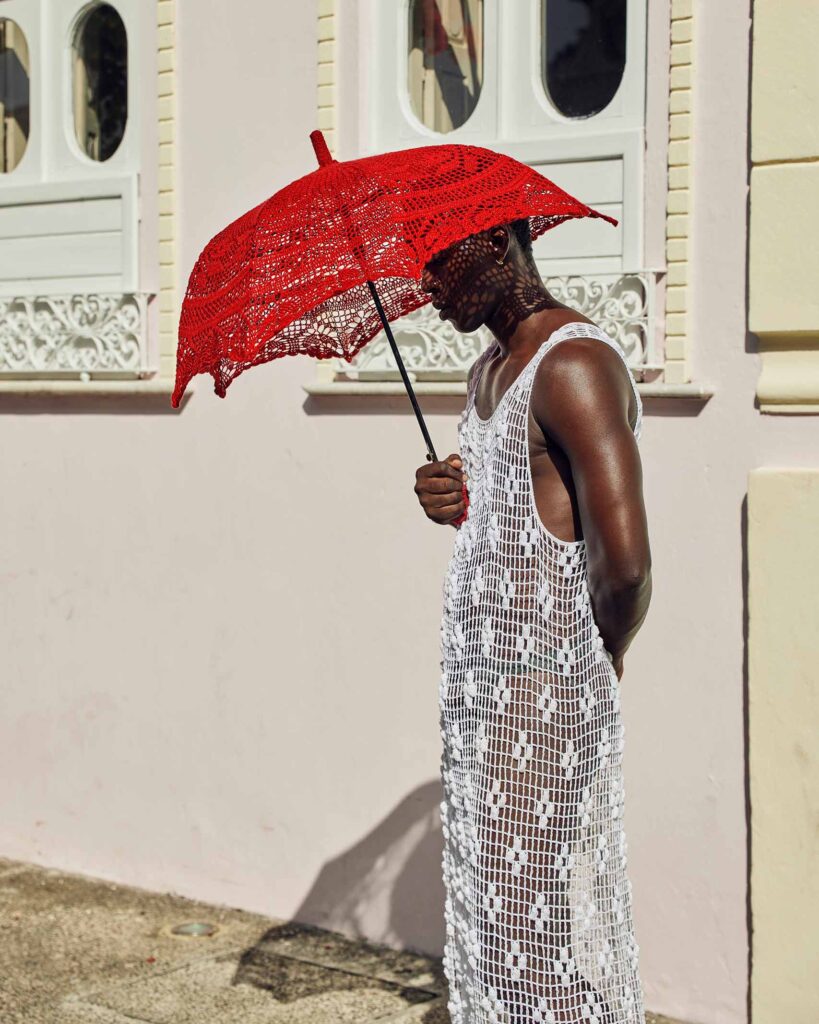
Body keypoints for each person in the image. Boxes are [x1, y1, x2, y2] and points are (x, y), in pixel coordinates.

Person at [414, 219, 652, 1024]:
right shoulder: (489, 368)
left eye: (441, 257)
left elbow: (624, 563)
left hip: (545, 680)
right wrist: (452, 498)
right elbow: (517, 522)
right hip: (492, 679)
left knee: (522, 920)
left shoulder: (572, 365)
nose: (428, 285)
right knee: (503, 917)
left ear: (501, 239)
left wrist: (597, 658)